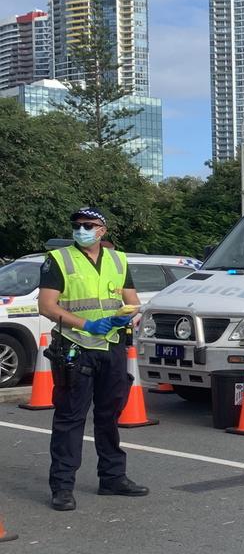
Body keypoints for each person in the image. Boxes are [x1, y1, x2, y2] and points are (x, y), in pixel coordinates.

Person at [37, 208, 148, 512]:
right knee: (70, 418)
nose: (81, 229)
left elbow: (132, 300)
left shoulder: (118, 259)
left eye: (88, 225)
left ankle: (112, 477)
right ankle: (62, 486)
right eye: (76, 225)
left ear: (102, 230)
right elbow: (46, 306)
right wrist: (87, 325)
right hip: (75, 347)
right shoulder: (59, 259)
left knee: (109, 415)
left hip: (111, 346)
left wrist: (126, 315)